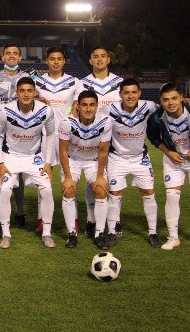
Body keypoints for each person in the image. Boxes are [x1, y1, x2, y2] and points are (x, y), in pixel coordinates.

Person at [0, 77, 56, 248]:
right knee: (5, 191)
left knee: (47, 190)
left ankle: (47, 233)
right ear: (16, 93)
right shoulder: (5, 111)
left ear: (35, 93)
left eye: (29, 90)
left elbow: (50, 135)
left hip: (34, 158)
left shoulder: (46, 111)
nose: (26, 94)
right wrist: (0, 163)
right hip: (10, 157)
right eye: (22, 91)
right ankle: (6, 234)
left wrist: (48, 162)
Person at [146, 82, 190, 252]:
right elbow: (153, 136)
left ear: (182, 98)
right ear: (161, 101)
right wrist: (168, 152)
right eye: (166, 99)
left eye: (174, 98)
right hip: (173, 161)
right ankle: (173, 238)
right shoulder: (157, 117)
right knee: (172, 196)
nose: (171, 103)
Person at [98, 78, 162, 248]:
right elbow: (92, 116)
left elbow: (167, 106)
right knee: (115, 195)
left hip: (140, 158)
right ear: (120, 95)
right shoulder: (108, 109)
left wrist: (186, 102)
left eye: (134, 92)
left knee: (148, 193)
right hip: (116, 158)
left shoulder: (148, 106)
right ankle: (111, 231)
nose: (130, 96)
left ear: (140, 93)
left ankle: (153, 233)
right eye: (126, 92)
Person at [32, 47, 82, 234]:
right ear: (46, 61)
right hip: (44, 134)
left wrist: (69, 116)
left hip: (67, 135)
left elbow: (75, 107)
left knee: (69, 177)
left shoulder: (74, 82)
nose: (55, 62)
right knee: (44, 179)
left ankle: (74, 220)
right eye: (52, 59)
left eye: (59, 59)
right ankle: (42, 220)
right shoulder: (37, 81)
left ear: (64, 61)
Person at [76, 46, 123, 237]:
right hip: (92, 138)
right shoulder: (82, 83)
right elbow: (74, 108)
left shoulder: (119, 82)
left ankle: (115, 221)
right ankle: (91, 220)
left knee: (113, 182)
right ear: (90, 61)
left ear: (109, 59)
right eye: (95, 56)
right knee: (92, 181)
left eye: (103, 56)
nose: (99, 59)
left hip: (117, 137)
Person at [59, 90, 112, 250]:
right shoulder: (67, 122)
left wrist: (100, 176)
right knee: (69, 190)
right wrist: (68, 177)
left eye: (91, 105)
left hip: (93, 161)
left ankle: (99, 234)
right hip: (73, 160)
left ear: (97, 106)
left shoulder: (106, 122)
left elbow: (103, 151)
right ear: (78, 106)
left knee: (101, 190)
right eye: (84, 105)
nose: (88, 109)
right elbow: (62, 151)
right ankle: (72, 234)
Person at [0, 43, 31, 229]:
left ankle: (20, 213)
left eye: (15, 53)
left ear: (20, 57)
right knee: (1, 173)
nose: (12, 56)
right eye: (8, 54)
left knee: (18, 175)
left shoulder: (28, 78)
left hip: (21, 133)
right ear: (2, 57)